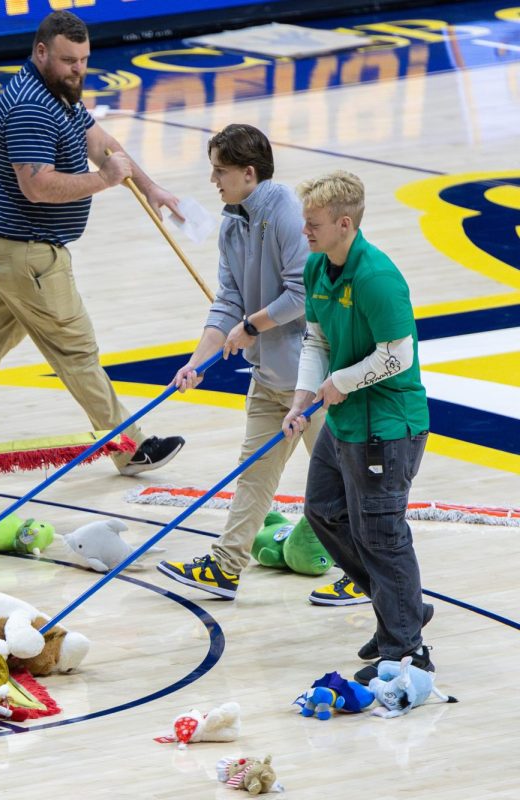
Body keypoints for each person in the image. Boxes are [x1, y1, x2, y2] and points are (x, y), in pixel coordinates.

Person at [0, 10, 184, 475]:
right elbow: (36, 187)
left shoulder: (56, 91)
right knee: (75, 351)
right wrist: (103, 181)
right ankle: (130, 447)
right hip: (28, 254)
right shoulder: (31, 107)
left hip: (1, 245)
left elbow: (102, 142)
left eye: (83, 59)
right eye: (68, 60)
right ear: (41, 52)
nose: (78, 68)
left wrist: (149, 186)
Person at [158, 123, 328, 600]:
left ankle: (371, 577)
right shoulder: (233, 223)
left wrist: (252, 326)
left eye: (220, 171)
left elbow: (304, 293)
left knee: (343, 483)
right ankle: (226, 567)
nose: (213, 180)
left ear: (248, 173)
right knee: (252, 477)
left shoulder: (290, 214)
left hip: (313, 382)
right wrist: (196, 362)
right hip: (268, 377)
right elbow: (226, 302)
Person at [282, 170, 432, 684]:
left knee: (381, 535)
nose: (306, 232)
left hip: (387, 425)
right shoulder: (317, 269)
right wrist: (302, 398)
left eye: (314, 224)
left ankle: (406, 646)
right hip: (345, 420)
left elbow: (397, 354)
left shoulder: (377, 278)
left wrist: (342, 381)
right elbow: (317, 341)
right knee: (323, 511)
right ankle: (403, 608)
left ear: (345, 223)